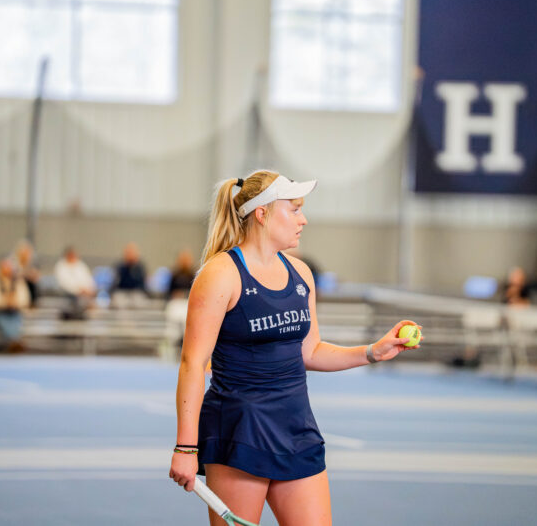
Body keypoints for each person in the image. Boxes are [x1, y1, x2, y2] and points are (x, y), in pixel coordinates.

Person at [168, 170, 421, 525]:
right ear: (263, 213)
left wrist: (372, 352)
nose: (304, 219)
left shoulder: (301, 274)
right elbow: (193, 364)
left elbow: (310, 352)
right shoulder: (220, 275)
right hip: (240, 432)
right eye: (295, 209)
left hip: (297, 429)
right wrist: (186, 447)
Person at [0, 256, 31, 353]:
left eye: (9, 267)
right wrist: (5, 302)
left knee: (16, 320)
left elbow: (25, 298)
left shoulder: (17, 282)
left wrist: (15, 302)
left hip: (14, 311)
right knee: (3, 320)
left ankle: (13, 342)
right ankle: (15, 341)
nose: (7, 269)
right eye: (5, 267)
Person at [54, 246, 96, 317]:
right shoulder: (61, 266)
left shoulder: (81, 265)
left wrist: (89, 289)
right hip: (69, 294)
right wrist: (79, 290)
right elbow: (64, 283)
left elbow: (88, 279)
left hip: (83, 293)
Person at [111, 242, 149, 309]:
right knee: (119, 302)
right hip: (122, 293)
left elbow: (142, 284)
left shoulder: (140, 267)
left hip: (136, 293)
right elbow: (117, 284)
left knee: (140, 302)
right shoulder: (120, 267)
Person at [14, 239, 40, 307]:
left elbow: (36, 278)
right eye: (24, 253)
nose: (26, 255)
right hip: (17, 293)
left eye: (28, 253)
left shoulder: (32, 265)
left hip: (30, 293)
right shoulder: (14, 264)